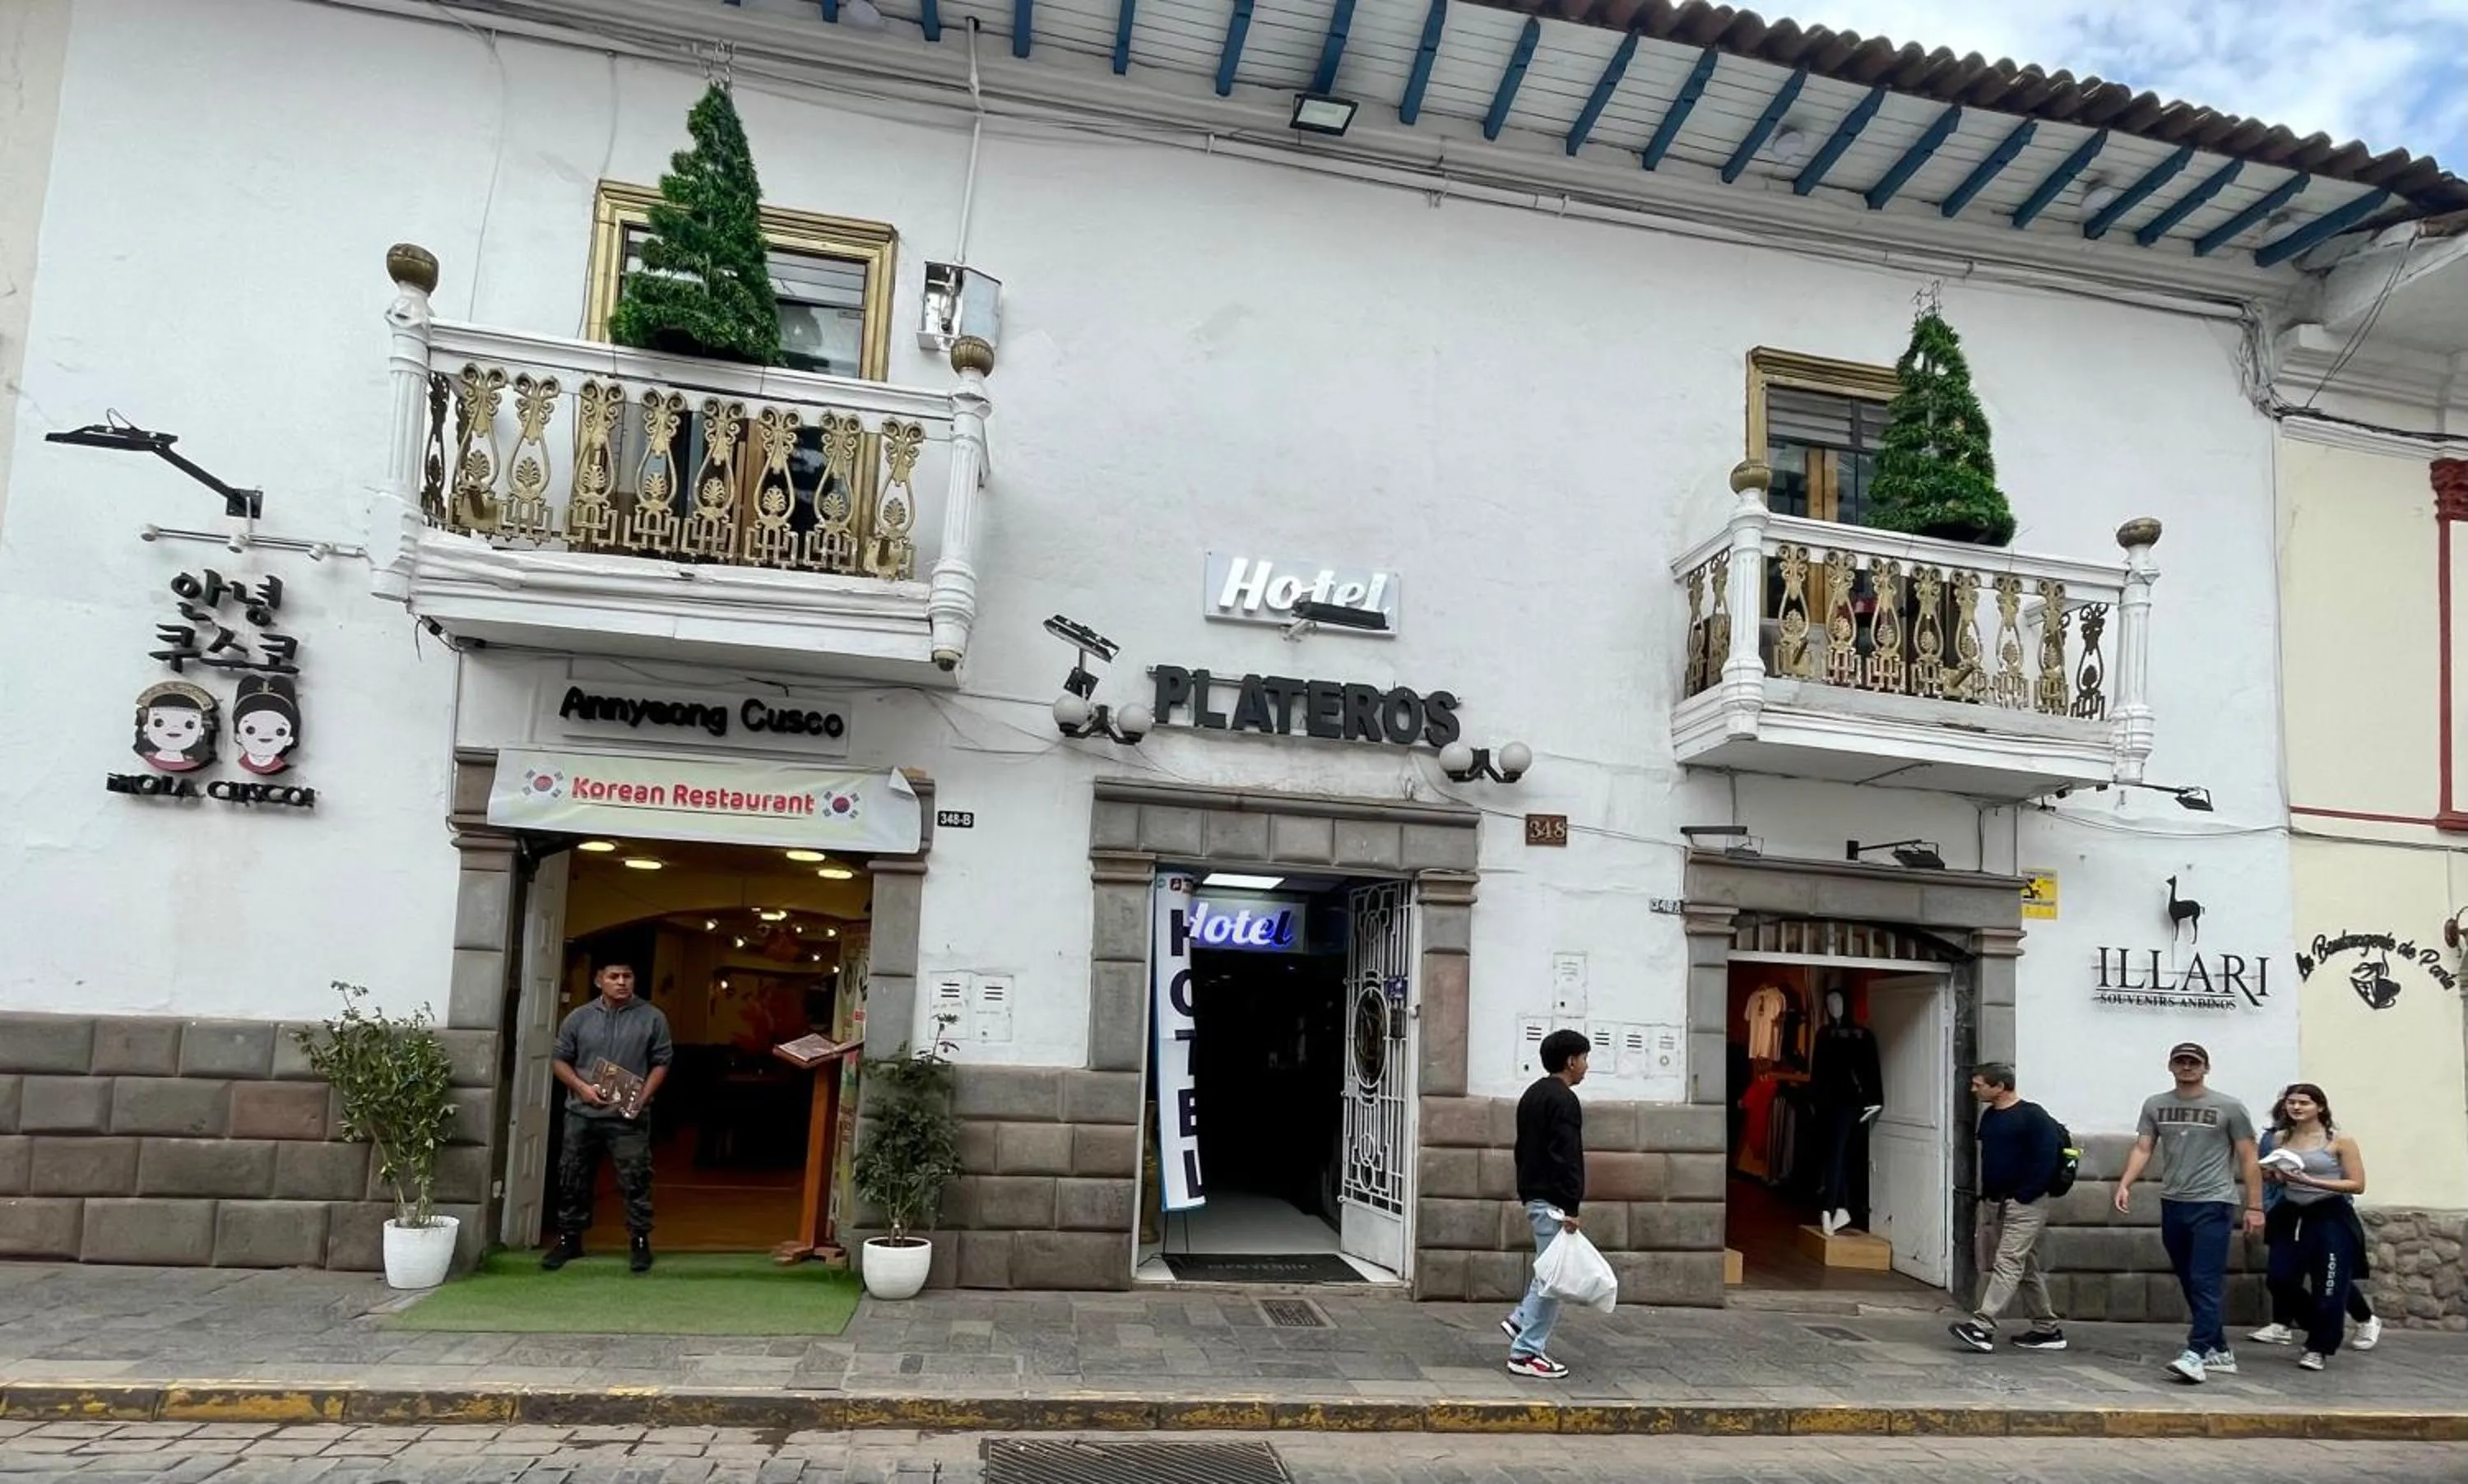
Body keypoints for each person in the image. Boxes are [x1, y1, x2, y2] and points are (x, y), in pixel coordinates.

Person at [2115, 1041, 2265, 1384]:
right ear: (2170, 1066)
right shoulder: (2155, 1105)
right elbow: (2143, 1147)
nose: (2186, 1067)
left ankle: (2196, 1353)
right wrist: (2125, 1183)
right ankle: (2220, 1350)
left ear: (2205, 1068)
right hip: (2174, 1201)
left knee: (2205, 1278)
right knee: (2189, 1277)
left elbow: (2248, 1157)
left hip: (2214, 1202)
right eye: (2180, 1062)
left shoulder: (2229, 1107)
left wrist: (2255, 1206)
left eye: (2193, 1062)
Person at [540, 957, 674, 1273]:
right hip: (582, 1113)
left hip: (628, 1116)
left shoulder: (652, 1017)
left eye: (627, 975)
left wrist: (643, 1097)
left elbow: (662, 1060)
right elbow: (559, 1060)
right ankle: (570, 1239)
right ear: (600, 980)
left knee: (636, 1178)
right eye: (614, 976)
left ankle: (639, 1241)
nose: (622, 982)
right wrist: (582, 1088)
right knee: (573, 1176)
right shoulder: (579, 1018)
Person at [2249, 1083, 2373, 1369]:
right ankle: (2315, 1324)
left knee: (2329, 1284)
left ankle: (2319, 1347)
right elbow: (2277, 1174)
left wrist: (2312, 1181)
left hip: (2330, 1213)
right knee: (2280, 1278)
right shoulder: (2281, 1138)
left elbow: (2357, 1184)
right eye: (2291, 1102)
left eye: (2304, 1102)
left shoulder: (2339, 1141)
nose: (2296, 1107)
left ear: (2319, 1107)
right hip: (2292, 1212)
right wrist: (2275, 1177)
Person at [1949, 1063, 2067, 1354]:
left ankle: (1983, 1326)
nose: (1973, 1089)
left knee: (2008, 1262)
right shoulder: (1990, 1116)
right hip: (1998, 1202)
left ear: (2000, 1086)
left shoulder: (2033, 1116)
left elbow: (2046, 1160)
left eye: (1979, 1085)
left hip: (2025, 1204)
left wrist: (2025, 1196)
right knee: (2025, 1267)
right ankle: (2047, 1328)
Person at [1501, 1028, 1589, 1380]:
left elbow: (1522, 1149)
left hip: (1534, 1193)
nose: (1586, 1066)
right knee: (1554, 1277)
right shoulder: (1564, 1100)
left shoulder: (1533, 1094)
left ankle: (1521, 1318)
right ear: (1570, 1061)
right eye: (1584, 1059)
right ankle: (1526, 1352)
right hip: (1553, 1199)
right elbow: (1568, 1155)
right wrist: (1571, 1207)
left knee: (1548, 1267)